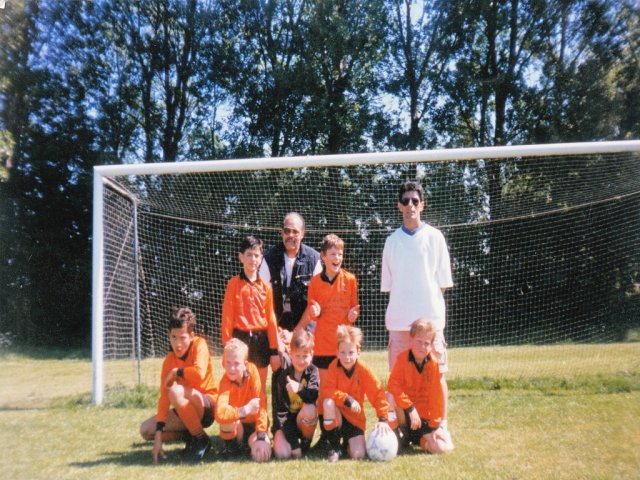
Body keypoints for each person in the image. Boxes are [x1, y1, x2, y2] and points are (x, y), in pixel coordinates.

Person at [381, 180, 453, 429]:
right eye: (405, 201)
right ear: (399, 206)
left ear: (422, 204)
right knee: (397, 380)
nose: (410, 205)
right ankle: (397, 430)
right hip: (399, 324)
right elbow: (390, 286)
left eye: (415, 200)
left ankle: (441, 426)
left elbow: (442, 284)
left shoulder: (435, 237)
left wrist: (426, 315)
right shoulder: (391, 241)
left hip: (431, 324)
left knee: (438, 375)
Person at [139, 307, 217, 463]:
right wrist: (159, 435)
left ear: (191, 336)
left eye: (182, 337)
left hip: (207, 405)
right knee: (146, 430)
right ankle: (191, 435)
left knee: (175, 391)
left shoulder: (200, 344)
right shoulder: (169, 360)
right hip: (185, 407)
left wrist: (177, 372)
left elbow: (199, 374)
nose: (178, 344)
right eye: (173, 337)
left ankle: (201, 440)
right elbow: (164, 398)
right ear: (168, 335)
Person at [221, 235, 282, 405]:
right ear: (241, 257)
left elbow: (271, 319)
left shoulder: (266, 287)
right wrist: (227, 346)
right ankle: (238, 419)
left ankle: (261, 421)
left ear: (261, 258)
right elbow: (227, 316)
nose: (253, 259)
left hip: (260, 342)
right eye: (249, 254)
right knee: (239, 385)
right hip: (240, 340)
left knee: (258, 388)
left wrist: (274, 351)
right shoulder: (233, 284)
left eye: (256, 255)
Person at [320, 325, 393, 463]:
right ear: (337, 352)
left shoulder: (363, 369)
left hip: (355, 419)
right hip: (338, 415)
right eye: (343, 352)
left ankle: (346, 446)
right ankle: (334, 447)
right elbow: (327, 390)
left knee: (358, 455)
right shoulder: (333, 366)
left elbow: (377, 392)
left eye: (351, 352)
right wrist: (347, 399)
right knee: (328, 403)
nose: (347, 357)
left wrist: (383, 418)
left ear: (358, 352)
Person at [296, 233, 359, 386]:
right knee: (324, 389)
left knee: (344, 388)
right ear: (323, 256)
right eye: (332, 254)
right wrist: (315, 312)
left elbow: (354, 309)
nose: (337, 258)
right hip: (322, 345)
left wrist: (353, 315)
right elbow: (312, 314)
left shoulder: (350, 280)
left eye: (340, 254)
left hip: (343, 345)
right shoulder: (315, 282)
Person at [386, 318, 453, 454]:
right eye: (418, 341)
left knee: (443, 448)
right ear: (411, 340)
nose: (422, 346)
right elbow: (393, 385)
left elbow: (436, 397)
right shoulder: (401, 359)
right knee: (390, 396)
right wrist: (410, 408)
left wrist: (436, 426)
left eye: (426, 343)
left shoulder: (433, 364)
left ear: (431, 346)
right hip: (406, 415)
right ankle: (397, 431)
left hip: (423, 421)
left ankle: (421, 441)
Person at [260, 212, 322, 345]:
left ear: (302, 234)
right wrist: (276, 332)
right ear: (282, 233)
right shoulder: (268, 258)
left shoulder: (314, 259)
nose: (290, 235)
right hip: (275, 325)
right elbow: (262, 300)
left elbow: (315, 302)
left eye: (295, 232)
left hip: (305, 327)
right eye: (287, 231)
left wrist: (295, 333)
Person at [216, 338, 272, 462]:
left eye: (236, 363)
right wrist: (245, 409)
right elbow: (219, 415)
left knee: (261, 455)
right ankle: (232, 448)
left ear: (245, 364)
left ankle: (252, 444)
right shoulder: (224, 382)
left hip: (254, 426)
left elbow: (261, 405)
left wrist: (261, 436)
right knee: (226, 412)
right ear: (223, 363)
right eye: (228, 363)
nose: (231, 368)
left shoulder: (252, 372)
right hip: (238, 426)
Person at [272, 329, 320, 459]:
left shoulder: (313, 372)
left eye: (305, 356)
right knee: (282, 454)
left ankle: (305, 443)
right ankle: (292, 443)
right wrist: (293, 444)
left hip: (302, 420)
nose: (301, 360)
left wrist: (299, 388)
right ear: (290, 354)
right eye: (297, 356)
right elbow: (281, 413)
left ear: (311, 355)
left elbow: (312, 396)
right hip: (286, 423)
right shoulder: (283, 376)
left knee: (310, 408)